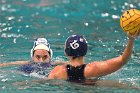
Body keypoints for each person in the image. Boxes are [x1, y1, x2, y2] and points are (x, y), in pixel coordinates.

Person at [48, 29, 140, 82]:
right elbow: (123, 60)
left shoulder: (58, 71)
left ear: (66, 52)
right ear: (85, 51)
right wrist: (131, 39)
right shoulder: (93, 68)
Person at [0, 38, 64, 76]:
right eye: (38, 57)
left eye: (45, 57)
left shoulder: (55, 64)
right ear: (32, 57)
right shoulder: (28, 65)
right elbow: (10, 64)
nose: (41, 61)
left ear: (50, 57)